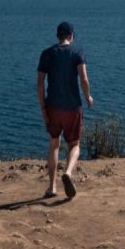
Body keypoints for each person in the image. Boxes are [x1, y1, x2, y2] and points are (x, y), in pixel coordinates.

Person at [37, 20, 93, 199]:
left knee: (54, 144)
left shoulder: (47, 54)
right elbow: (83, 79)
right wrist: (88, 97)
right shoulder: (77, 53)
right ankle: (68, 172)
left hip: (53, 106)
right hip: (72, 108)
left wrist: (43, 108)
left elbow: (39, 83)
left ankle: (51, 187)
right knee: (74, 144)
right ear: (71, 36)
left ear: (58, 36)